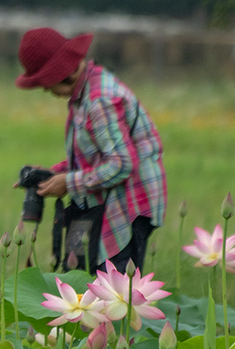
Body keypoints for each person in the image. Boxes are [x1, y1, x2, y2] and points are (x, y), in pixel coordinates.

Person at [15, 28, 167, 273]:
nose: (44, 89)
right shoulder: (85, 91)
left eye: (43, 81)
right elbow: (97, 156)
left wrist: (69, 182)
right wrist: (54, 175)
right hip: (95, 198)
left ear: (58, 73)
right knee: (76, 274)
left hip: (125, 203)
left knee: (110, 290)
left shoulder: (99, 101)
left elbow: (121, 163)